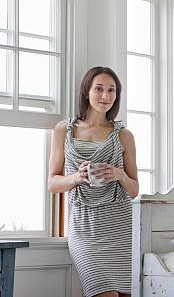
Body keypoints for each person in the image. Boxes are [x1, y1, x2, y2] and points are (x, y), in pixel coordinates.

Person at [48, 66, 139, 297]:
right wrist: (77, 178)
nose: (106, 96)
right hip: (84, 228)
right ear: (86, 91)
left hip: (121, 228)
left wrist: (119, 175)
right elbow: (52, 184)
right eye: (99, 89)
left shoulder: (124, 136)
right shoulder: (63, 131)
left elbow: (134, 189)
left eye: (112, 90)